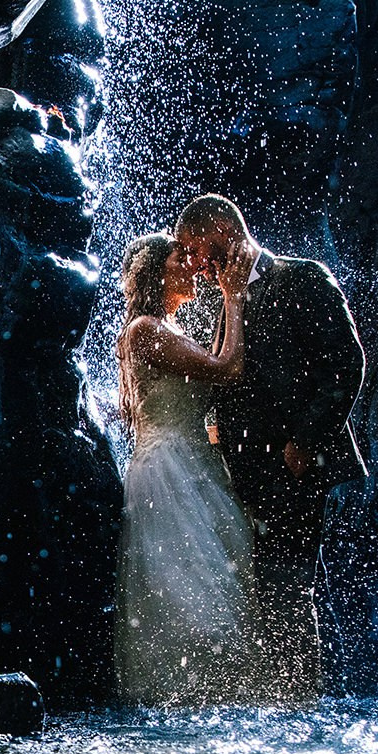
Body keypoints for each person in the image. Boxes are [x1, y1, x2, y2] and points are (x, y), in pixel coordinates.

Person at [170, 195, 366, 699]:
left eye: (199, 249)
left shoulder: (301, 277)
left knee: (286, 585)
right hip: (247, 474)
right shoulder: (225, 302)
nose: (198, 264)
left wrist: (303, 443)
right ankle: (314, 695)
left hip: (297, 466)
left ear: (222, 228)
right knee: (285, 585)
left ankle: (299, 706)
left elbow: (347, 362)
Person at [114, 233, 257, 703]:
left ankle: (213, 709)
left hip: (194, 466)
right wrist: (233, 295)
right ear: (157, 270)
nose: (194, 266)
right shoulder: (145, 329)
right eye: (183, 258)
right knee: (194, 606)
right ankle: (186, 715)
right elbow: (227, 368)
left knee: (213, 597)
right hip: (168, 474)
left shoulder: (167, 330)